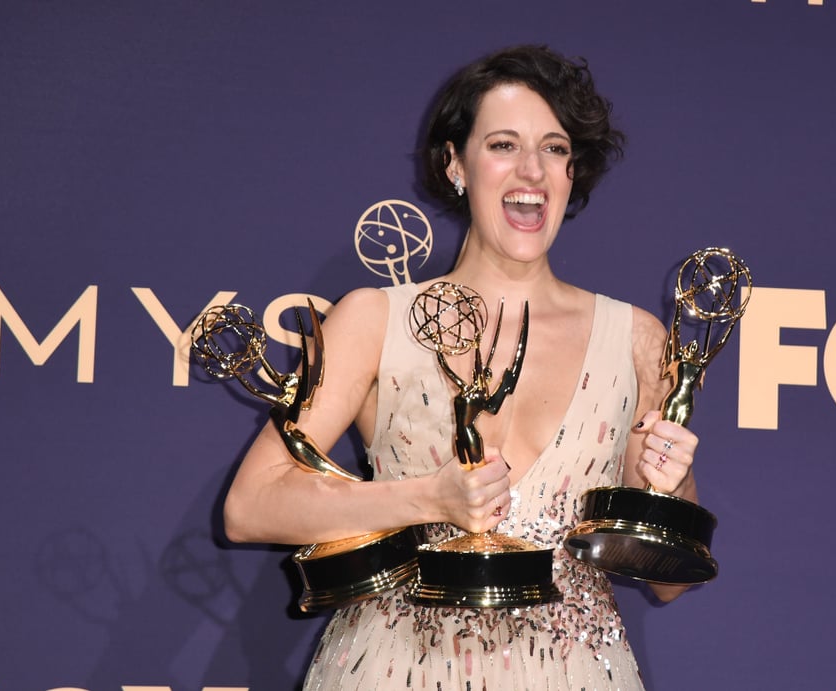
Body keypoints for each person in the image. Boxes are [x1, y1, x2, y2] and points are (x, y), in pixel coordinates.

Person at [223, 44, 702, 690]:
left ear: (572, 174)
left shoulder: (637, 339)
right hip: (393, 669)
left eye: (555, 148)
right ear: (456, 164)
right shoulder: (374, 320)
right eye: (503, 144)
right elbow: (250, 506)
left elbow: (669, 579)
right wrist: (425, 498)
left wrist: (673, 481)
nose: (531, 170)